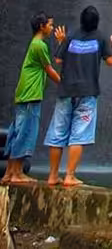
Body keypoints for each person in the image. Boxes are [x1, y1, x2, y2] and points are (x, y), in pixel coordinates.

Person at [44, 5, 112, 187]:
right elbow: (111, 61)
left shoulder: (71, 36)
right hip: (87, 93)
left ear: (81, 20)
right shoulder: (101, 37)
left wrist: (61, 42)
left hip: (66, 91)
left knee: (58, 134)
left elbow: (58, 60)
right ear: (97, 22)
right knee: (78, 135)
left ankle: (52, 176)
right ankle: (69, 176)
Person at [1, 14, 63, 186]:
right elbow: (49, 69)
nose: (52, 27)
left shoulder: (34, 44)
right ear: (42, 26)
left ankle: (9, 172)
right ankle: (17, 173)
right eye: (50, 24)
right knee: (26, 132)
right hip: (31, 94)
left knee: (17, 131)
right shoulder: (39, 45)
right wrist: (63, 83)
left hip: (24, 93)